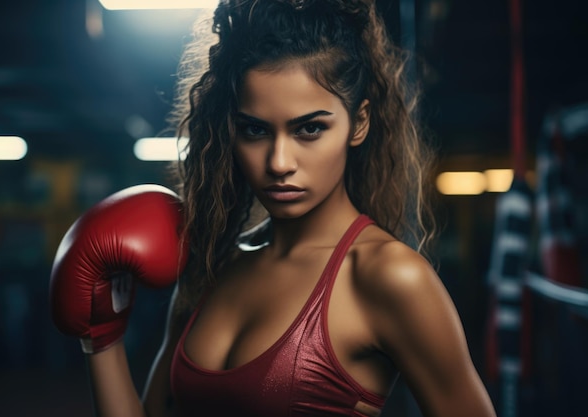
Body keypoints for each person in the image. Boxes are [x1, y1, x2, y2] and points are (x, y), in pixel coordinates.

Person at [50, 1, 497, 416]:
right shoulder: (213, 263)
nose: (279, 163)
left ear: (358, 124)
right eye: (256, 130)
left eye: (309, 129)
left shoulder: (388, 276)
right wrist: (102, 337)